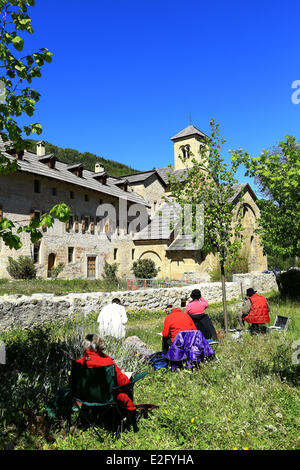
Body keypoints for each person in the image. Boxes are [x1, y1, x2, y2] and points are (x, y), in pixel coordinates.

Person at [75, 334, 136, 418]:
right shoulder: (107, 363)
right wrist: (123, 374)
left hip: (84, 398)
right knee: (127, 384)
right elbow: (124, 383)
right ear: (99, 347)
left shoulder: (77, 364)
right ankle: (126, 415)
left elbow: (73, 383)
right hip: (107, 399)